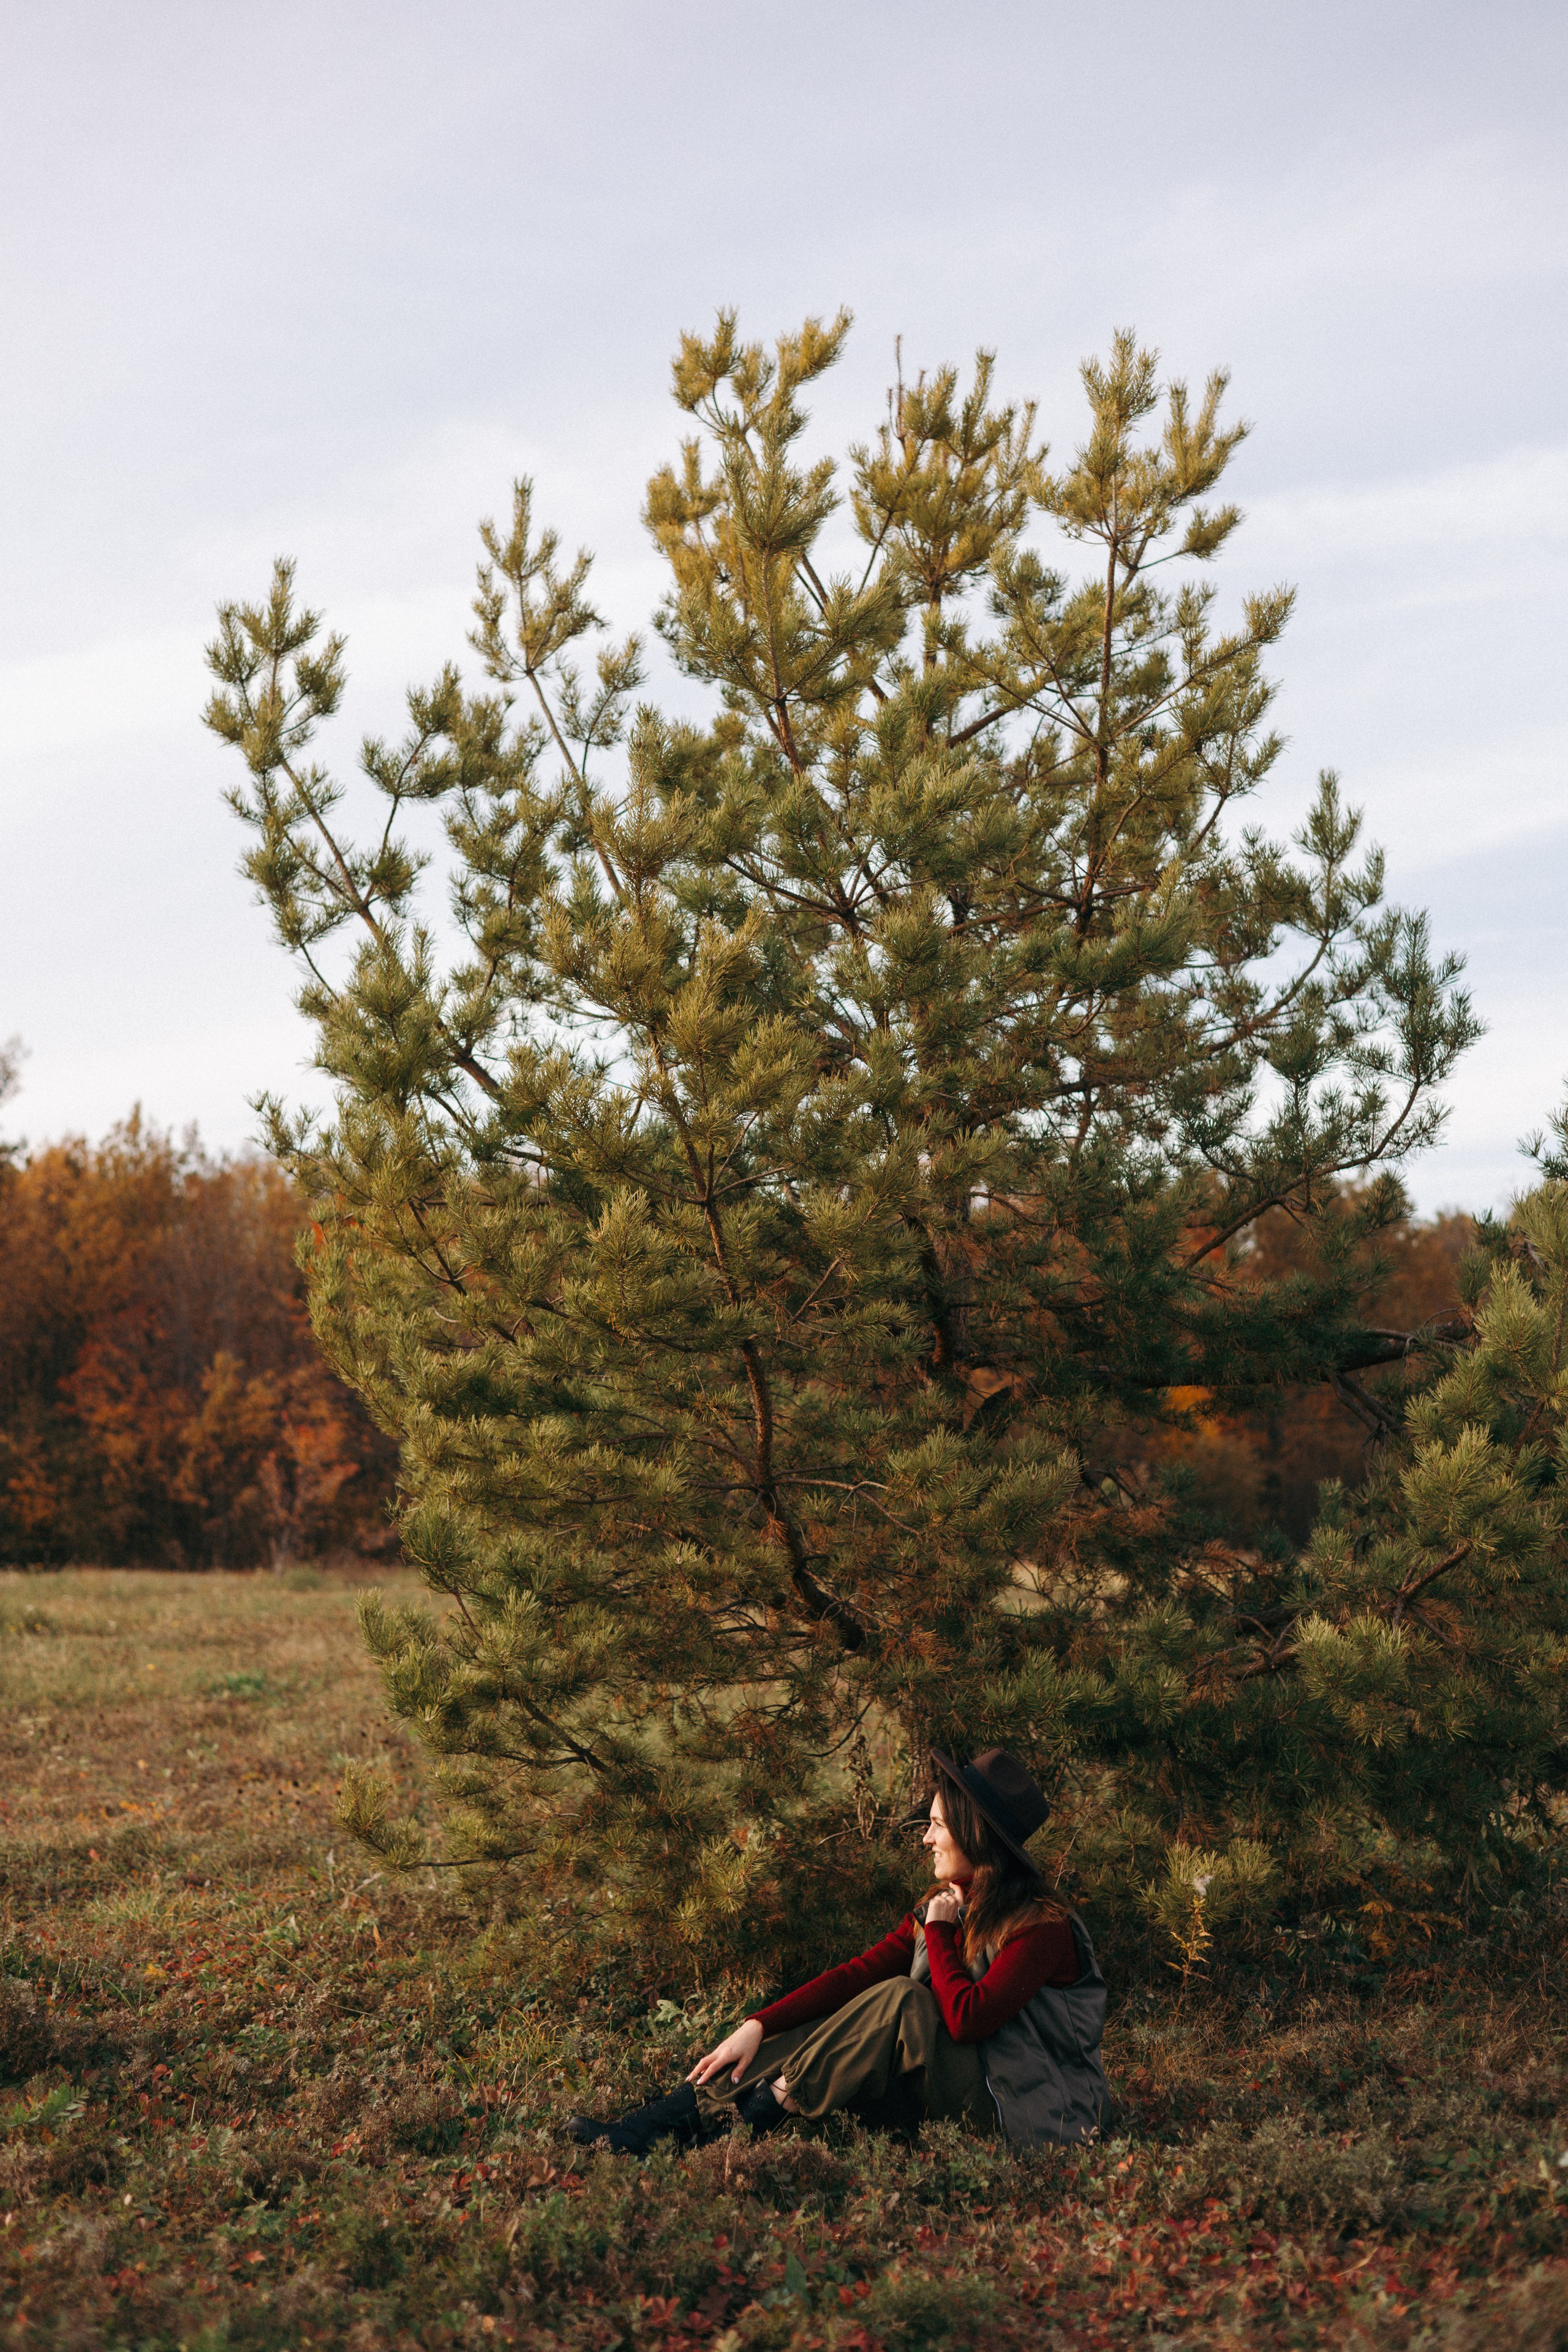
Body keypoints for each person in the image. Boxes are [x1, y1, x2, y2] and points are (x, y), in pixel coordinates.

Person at [567, 1747, 1111, 2157]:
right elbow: (858, 1974)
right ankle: (659, 2125)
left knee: (903, 2000)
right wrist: (758, 2024)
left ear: (976, 1836)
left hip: (1029, 2117)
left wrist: (942, 1934)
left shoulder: (1042, 1928)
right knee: (864, 1999)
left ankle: (749, 2124)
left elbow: (968, 2021)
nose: (925, 1839)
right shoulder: (946, 1906)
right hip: (964, 2092)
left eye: (937, 1825)